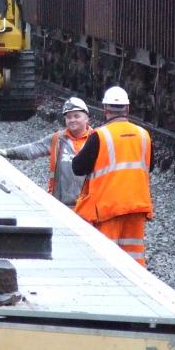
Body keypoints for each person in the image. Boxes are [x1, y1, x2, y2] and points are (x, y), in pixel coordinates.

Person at [71, 86, 153, 265]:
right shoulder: (144, 135)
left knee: (107, 259)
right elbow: (150, 165)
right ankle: (138, 283)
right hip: (137, 205)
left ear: (105, 109)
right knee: (134, 255)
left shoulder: (99, 136)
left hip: (109, 207)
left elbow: (78, 167)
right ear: (128, 109)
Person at [0, 97, 93, 205]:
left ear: (86, 118)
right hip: (62, 204)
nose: (72, 120)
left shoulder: (96, 139)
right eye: (68, 117)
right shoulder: (58, 139)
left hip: (89, 205)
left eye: (76, 116)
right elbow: (34, 148)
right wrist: (8, 152)